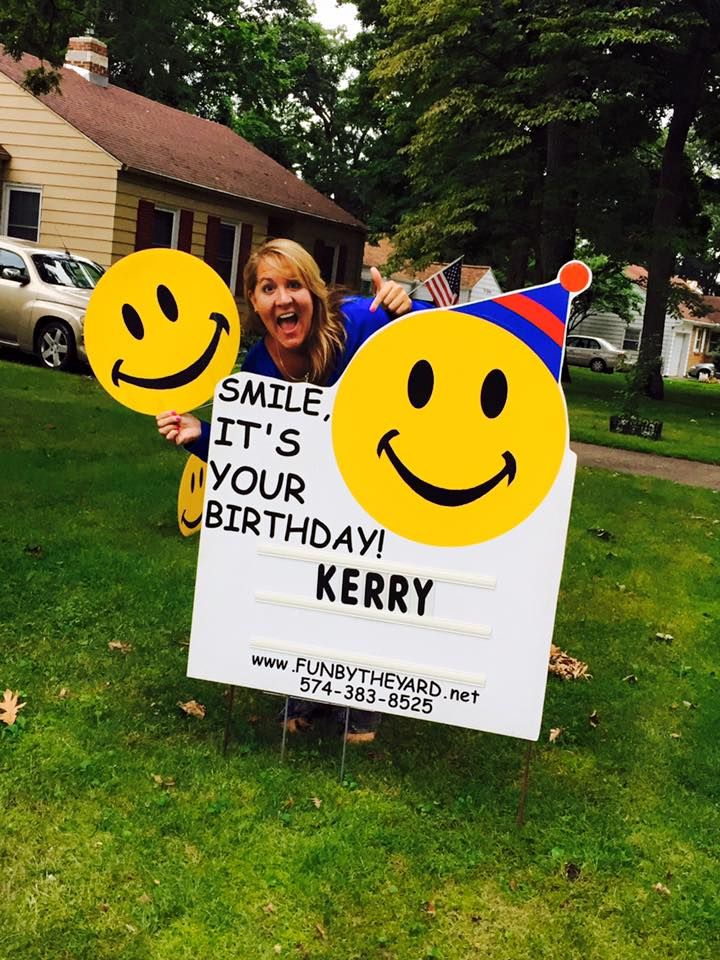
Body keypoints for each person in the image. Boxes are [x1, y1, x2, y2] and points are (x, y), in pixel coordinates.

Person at [157, 238, 433, 742]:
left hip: (377, 484)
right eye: (268, 288)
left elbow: (443, 345)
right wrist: (200, 437)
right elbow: (257, 457)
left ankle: (363, 699)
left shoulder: (360, 321)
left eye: (293, 285)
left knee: (362, 587)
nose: (283, 299)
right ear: (255, 303)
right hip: (311, 502)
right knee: (302, 581)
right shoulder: (260, 366)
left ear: (315, 291)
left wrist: (407, 307)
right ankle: (307, 686)